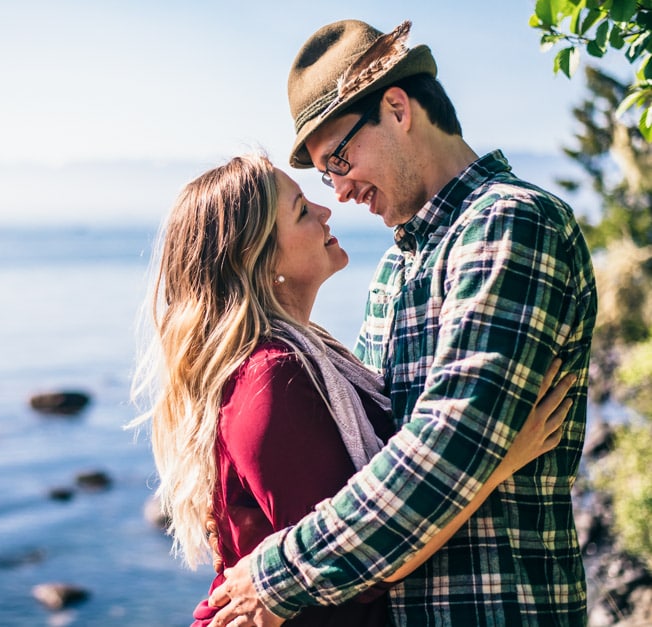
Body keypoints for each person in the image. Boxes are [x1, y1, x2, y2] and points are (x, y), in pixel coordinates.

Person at [205, 19, 598, 627]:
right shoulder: (397, 264)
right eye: (323, 174)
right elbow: (379, 461)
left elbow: (448, 448)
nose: (338, 190)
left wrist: (274, 575)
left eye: (338, 158)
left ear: (396, 108)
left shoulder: (509, 225)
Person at [130, 153, 576, 626]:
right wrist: (495, 460)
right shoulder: (270, 380)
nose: (326, 210)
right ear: (260, 261)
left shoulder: (308, 357)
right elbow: (362, 563)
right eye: (302, 209)